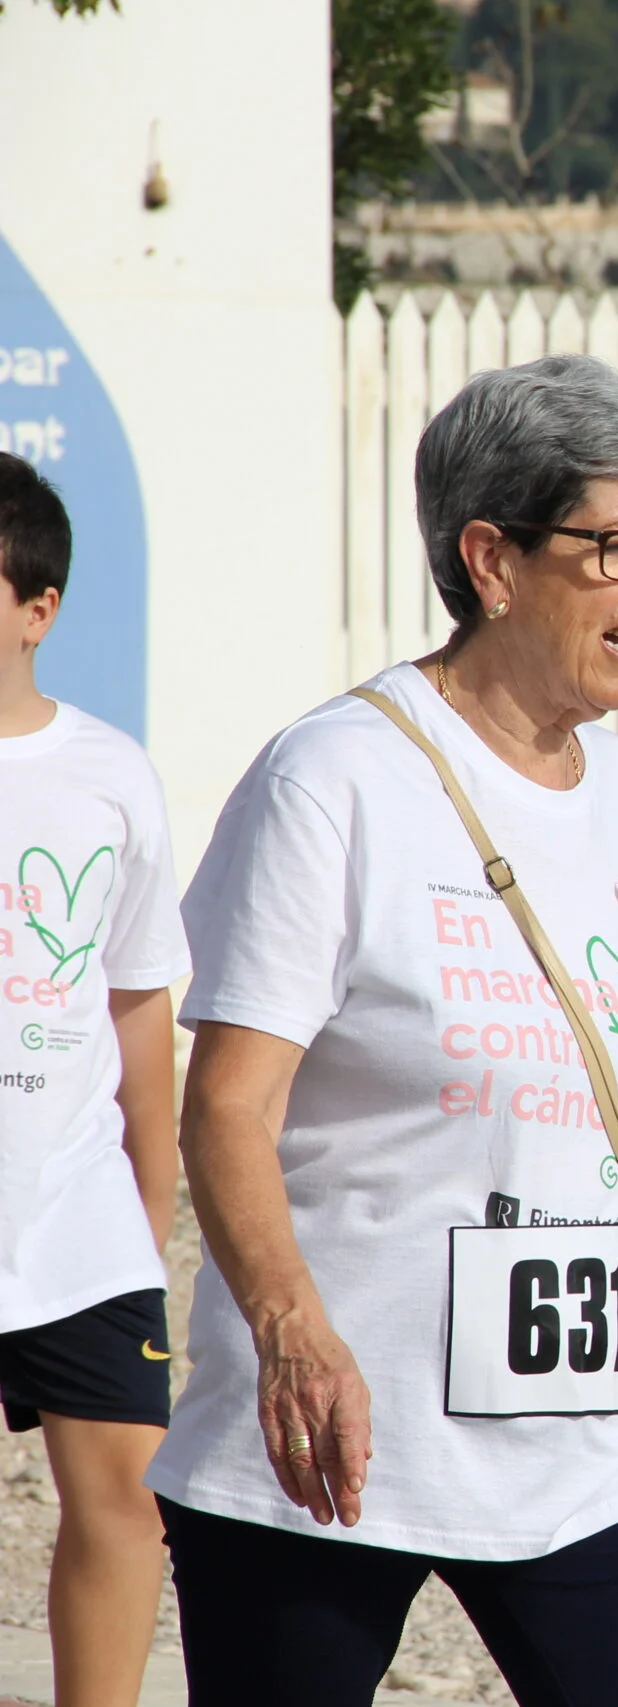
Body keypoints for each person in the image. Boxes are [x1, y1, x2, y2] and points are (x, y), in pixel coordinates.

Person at [146, 356, 618, 1707]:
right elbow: (227, 1103)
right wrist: (292, 1328)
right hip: (339, 1434)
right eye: (616, 546)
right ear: (493, 558)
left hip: (599, 1440)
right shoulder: (335, 777)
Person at [0, 454, 188, 1707]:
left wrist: (153, 1210)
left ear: (38, 608)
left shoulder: (109, 774)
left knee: (128, 1496)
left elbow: (139, 1007)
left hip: (77, 1220)